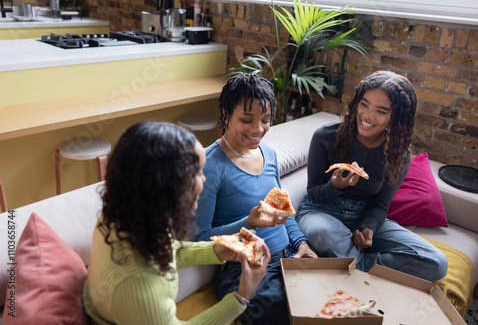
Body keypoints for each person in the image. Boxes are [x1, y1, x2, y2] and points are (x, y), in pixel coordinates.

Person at [82, 121, 271, 325]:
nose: (204, 180)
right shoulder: (139, 288)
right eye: (198, 173)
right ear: (171, 188)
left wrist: (215, 250)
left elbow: (165, 250)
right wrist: (242, 296)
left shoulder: (126, 215)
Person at [295, 70, 448, 282]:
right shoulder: (325, 136)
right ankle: (365, 269)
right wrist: (335, 186)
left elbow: (380, 205)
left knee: (437, 263)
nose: (367, 116)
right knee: (323, 235)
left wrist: (368, 229)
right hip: (321, 211)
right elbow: (314, 193)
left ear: (396, 118)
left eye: (381, 111)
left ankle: (351, 264)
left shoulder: (400, 157)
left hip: (362, 215)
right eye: (364, 104)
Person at [195, 73, 317, 325]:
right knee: (295, 314)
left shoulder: (269, 154)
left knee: (329, 300)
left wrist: (302, 243)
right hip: (244, 270)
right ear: (226, 115)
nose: (258, 129)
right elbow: (199, 240)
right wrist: (249, 222)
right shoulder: (210, 165)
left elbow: (283, 213)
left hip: (287, 258)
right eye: (247, 120)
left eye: (265, 120)